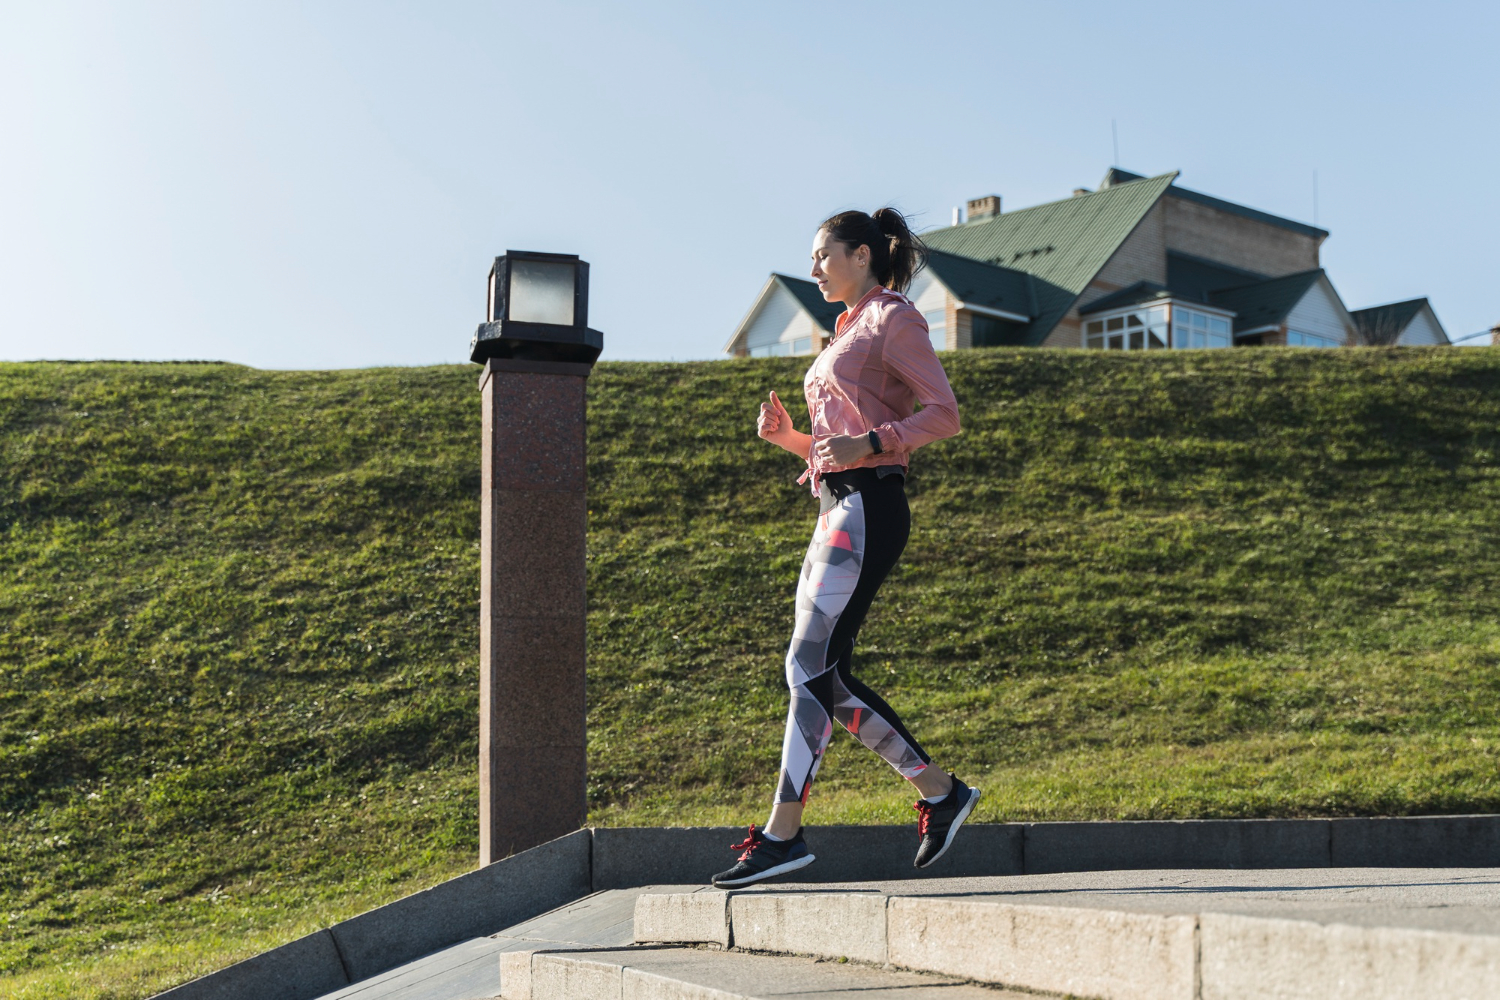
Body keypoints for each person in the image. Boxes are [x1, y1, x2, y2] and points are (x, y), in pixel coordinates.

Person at [711, 207, 979, 888]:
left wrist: (874, 443)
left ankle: (783, 835)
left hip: (868, 509)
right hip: (837, 509)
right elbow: (840, 446)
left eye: (822, 256)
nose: (814, 269)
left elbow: (942, 414)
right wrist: (790, 442)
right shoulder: (846, 329)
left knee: (806, 666)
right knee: (820, 679)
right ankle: (939, 791)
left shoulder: (894, 318)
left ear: (861, 254)